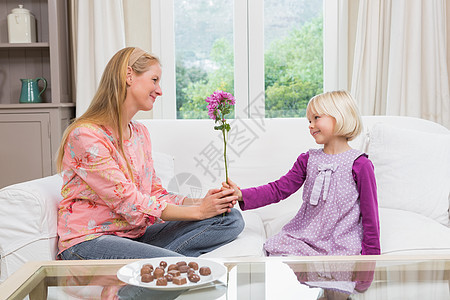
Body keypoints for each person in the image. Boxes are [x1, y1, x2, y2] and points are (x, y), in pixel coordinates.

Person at [56, 47, 244, 261]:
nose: (159, 90)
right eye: (154, 80)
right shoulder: (86, 135)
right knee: (175, 265)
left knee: (229, 219)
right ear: (129, 76)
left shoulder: (139, 132)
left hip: (135, 235)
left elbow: (155, 194)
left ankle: (148, 265)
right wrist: (199, 211)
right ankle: (162, 264)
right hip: (90, 241)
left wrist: (204, 202)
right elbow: (129, 202)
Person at [224, 90, 380, 256]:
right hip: (304, 237)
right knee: (277, 249)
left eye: (316, 118)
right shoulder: (307, 159)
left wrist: (372, 257)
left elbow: (370, 214)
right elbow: (278, 189)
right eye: (309, 120)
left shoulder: (361, 164)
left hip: (341, 242)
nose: (310, 125)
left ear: (340, 116)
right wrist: (241, 195)